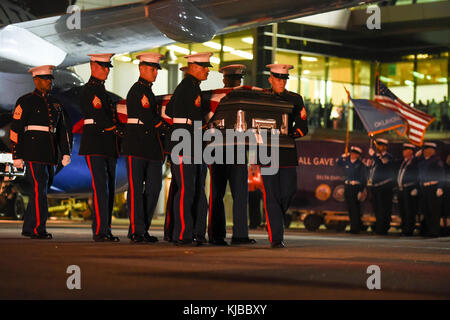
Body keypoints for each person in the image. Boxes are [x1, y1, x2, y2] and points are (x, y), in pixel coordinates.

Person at [10, 65, 71, 239]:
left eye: (50, 79)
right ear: (36, 80)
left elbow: (61, 130)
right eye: (45, 79)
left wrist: (65, 153)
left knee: (41, 188)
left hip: (50, 153)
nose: (49, 82)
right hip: (33, 152)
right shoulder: (25, 101)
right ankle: (38, 228)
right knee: (40, 189)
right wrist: (17, 155)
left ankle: (29, 227)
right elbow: (16, 130)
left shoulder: (55, 103)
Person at [165, 52, 212, 246]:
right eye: (204, 67)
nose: (207, 70)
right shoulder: (189, 88)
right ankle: (184, 233)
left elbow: (168, 111)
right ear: (192, 67)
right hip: (186, 142)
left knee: (194, 190)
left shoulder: (189, 87)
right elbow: (196, 117)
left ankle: (194, 232)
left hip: (189, 142)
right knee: (187, 190)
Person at [122, 52, 169, 243]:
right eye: (151, 69)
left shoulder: (148, 91)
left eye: (156, 69)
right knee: (136, 189)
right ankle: (136, 230)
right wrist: (167, 128)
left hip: (150, 147)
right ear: (141, 69)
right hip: (137, 145)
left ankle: (143, 228)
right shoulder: (138, 91)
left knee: (153, 188)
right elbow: (148, 117)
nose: (155, 73)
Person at [260, 64, 308, 248]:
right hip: (267, 152)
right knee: (271, 195)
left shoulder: (295, 99)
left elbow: (303, 127)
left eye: (284, 79)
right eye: (278, 79)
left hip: (287, 151)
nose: (281, 82)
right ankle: (276, 237)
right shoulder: (262, 98)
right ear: (270, 79)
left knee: (289, 191)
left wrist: (288, 135)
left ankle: (275, 219)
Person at [208, 64, 255, 246]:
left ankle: (237, 235)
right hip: (220, 151)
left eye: (237, 80)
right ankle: (218, 235)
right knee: (218, 194)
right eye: (232, 80)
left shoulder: (244, 99)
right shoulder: (218, 98)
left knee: (239, 195)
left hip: (235, 151)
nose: (235, 83)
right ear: (224, 80)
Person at [79, 53, 121, 242]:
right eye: (102, 66)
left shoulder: (103, 92)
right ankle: (100, 230)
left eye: (107, 67)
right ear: (92, 66)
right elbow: (100, 118)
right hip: (95, 143)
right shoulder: (88, 91)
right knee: (101, 187)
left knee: (109, 188)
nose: (106, 70)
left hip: (107, 145)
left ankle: (106, 228)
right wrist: (120, 131)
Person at [417, 142, 445, 237]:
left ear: (432, 150)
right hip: (424, 188)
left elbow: (441, 175)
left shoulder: (437, 161)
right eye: (424, 149)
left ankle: (434, 231)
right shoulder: (423, 161)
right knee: (426, 210)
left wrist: (440, 187)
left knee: (434, 211)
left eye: (426, 149)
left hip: (433, 187)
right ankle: (429, 230)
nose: (424, 151)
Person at [337, 146, 366, 234]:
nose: (352, 155)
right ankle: (353, 226)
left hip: (356, 187)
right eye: (351, 153)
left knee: (355, 209)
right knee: (350, 208)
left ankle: (355, 228)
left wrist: (361, 190)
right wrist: (342, 156)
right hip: (348, 186)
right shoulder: (347, 162)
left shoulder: (360, 165)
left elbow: (363, 178)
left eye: (354, 154)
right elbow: (338, 163)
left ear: (358, 155)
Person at [395, 143, 419, 236]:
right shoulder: (403, 162)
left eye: (406, 150)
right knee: (403, 210)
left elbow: (418, 175)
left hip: (410, 188)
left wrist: (416, 187)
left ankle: (409, 229)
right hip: (401, 189)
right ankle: (404, 228)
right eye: (404, 150)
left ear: (411, 151)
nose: (403, 152)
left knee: (409, 210)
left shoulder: (415, 162)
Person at [248, 164, 263, 229]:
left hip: (257, 190)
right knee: (251, 208)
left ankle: (257, 223)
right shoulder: (249, 168)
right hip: (250, 190)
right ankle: (252, 223)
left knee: (256, 207)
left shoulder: (259, 169)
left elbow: (259, 181)